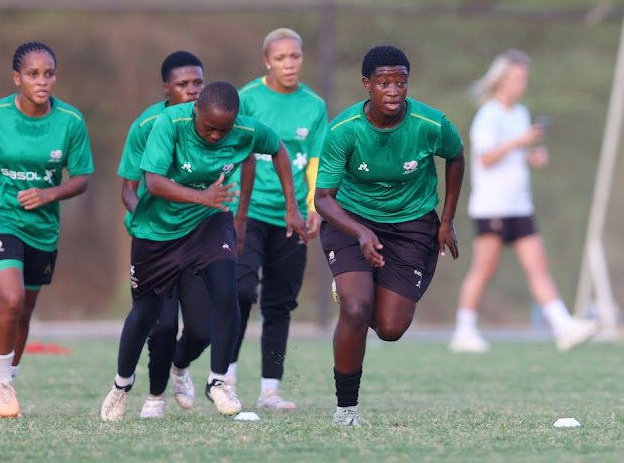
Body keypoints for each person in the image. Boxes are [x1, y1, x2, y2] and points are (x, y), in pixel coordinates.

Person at [100, 81, 307, 420]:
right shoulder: (170, 124)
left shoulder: (244, 129)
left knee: (229, 290)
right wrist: (202, 196)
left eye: (222, 130)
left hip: (208, 224)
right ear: (196, 110)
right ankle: (122, 386)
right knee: (145, 316)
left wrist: (292, 206)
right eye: (209, 128)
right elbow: (152, 181)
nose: (215, 136)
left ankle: (217, 381)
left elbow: (279, 150)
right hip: (158, 231)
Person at [315, 46, 465, 426]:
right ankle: (346, 409)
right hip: (352, 221)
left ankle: (359, 291)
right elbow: (322, 200)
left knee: (391, 329)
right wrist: (361, 231)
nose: (394, 90)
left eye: (400, 82)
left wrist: (445, 221)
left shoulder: (430, 124)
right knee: (355, 308)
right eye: (384, 83)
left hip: (413, 225)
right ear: (367, 85)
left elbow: (457, 156)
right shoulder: (343, 130)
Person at [0, 41, 94, 417]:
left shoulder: (70, 121)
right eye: (32, 74)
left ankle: (7, 381)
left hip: (42, 229)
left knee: (25, 311)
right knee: (10, 299)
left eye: (48, 74)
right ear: (17, 78)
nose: (42, 82)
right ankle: (1, 385)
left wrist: (49, 194)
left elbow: (83, 178)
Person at [116, 51, 255, 418]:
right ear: (167, 88)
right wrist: (153, 223)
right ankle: (154, 399)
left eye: (198, 83)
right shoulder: (149, 125)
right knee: (160, 325)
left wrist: (238, 218)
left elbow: (254, 150)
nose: (192, 90)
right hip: (159, 240)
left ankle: (181, 369)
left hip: (202, 238)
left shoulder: (220, 123)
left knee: (199, 330)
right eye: (183, 84)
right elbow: (129, 189)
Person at [449, 49, 600, 353]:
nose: (522, 84)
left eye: (524, 79)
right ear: (501, 80)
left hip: (520, 205)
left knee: (538, 265)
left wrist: (531, 154)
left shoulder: (520, 113)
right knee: (484, 269)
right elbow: (486, 158)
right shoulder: (488, 114)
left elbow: (512, 153)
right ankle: (463, 331)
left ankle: (563, 326)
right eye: (517, 78)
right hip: (493, 207)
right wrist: (520, 142)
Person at [227, 28, 328, 410]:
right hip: (248, 211)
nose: (289, 64)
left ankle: (270, 389)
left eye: (295, 57)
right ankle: (226, 377)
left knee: (280, 303)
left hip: (293, 217)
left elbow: (316, 160)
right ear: (266, 61)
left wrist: (315, 209)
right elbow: (231, 151)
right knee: (239, 292)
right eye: (281, 58)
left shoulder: (314, 106)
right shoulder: (247, 99)